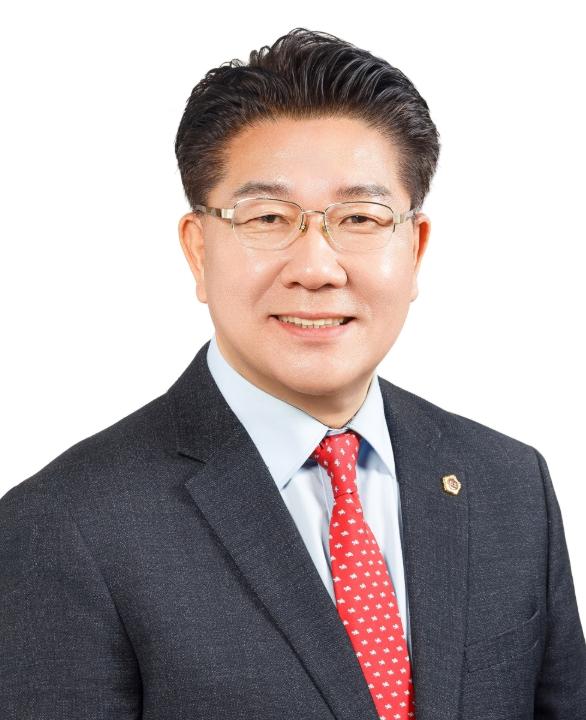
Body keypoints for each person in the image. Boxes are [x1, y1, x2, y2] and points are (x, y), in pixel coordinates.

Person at [1, 27, 584, 720]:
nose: (316, 268)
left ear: (415, 248)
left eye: (360, 217)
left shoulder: (509, 485)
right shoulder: (64, 527)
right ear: (198, 250)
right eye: (269, 217)